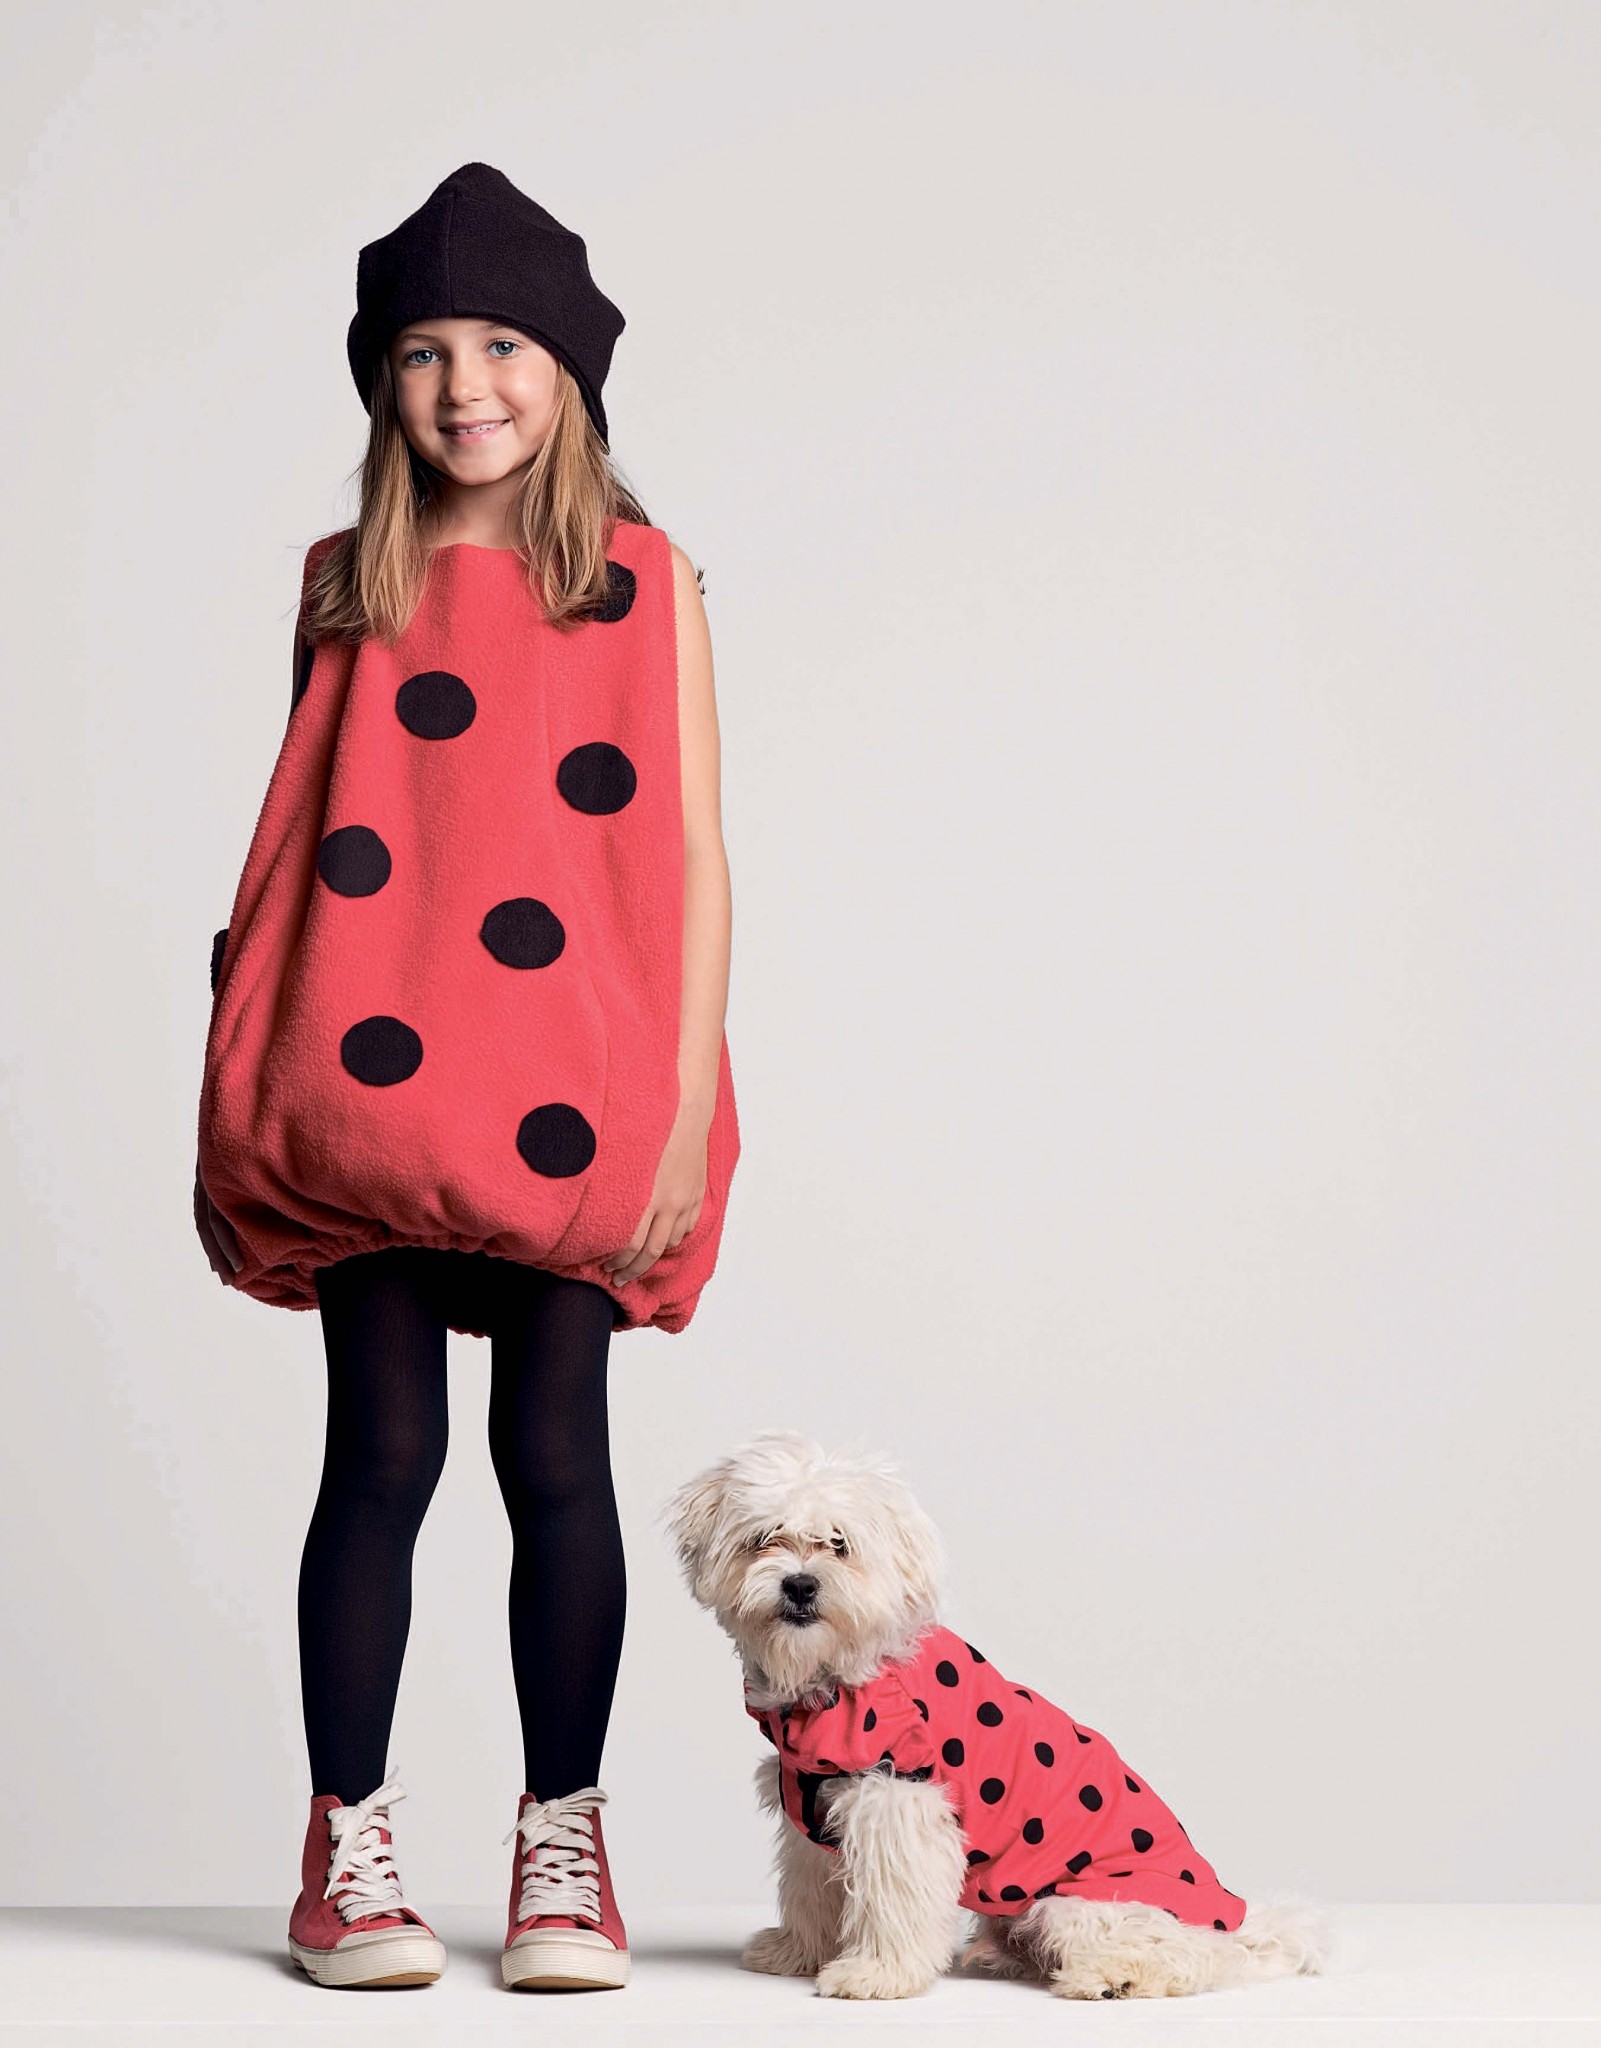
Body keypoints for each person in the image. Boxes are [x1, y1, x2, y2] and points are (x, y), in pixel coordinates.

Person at [193, 162, 741, 1993]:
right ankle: (346, 1848)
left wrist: (681, 1109)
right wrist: (247, 1059)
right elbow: (311, 843)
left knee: (555, 1451)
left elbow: (689, 855)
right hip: (375, 1079)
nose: (464, 384)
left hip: (577, 1077)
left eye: (501, 342)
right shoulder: (346, 583)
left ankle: (561, 1845)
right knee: (383, 1452)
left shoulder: (646, 586)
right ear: (383, 386)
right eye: (421, 351)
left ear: (569, 368)